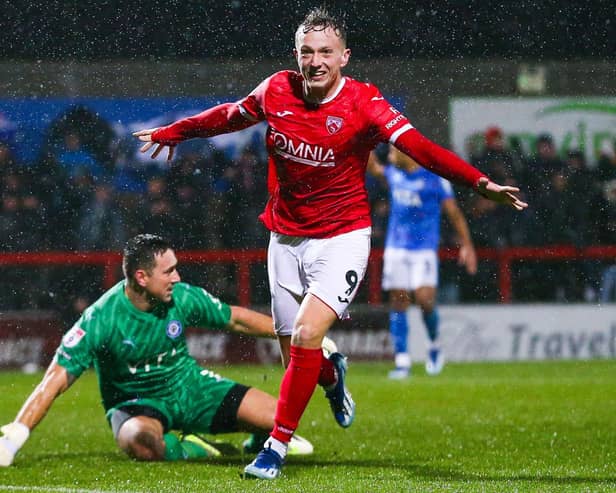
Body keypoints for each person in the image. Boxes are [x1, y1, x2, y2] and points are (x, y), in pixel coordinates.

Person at [133, 8, 527, 479]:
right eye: (306, 52)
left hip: (342, 238)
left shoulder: (365, 103)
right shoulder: (277, 89)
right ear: (296, 55)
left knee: (304, 335)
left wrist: (478, 181)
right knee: (296, 356)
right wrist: (173, 132)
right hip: (284, 238)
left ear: (344, 56)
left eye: (325, 52)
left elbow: (422, 147)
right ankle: (332, 372)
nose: (315, 61)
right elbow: (227, 116)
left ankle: (275, 449)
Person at [0, 234, 314, 467]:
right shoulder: (101, 319)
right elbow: (53, 381)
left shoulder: (181, 296)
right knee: (140, 441)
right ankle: (197, 447)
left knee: (285, 417)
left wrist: (299, 334)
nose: (177, 277)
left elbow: (237, 320)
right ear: (141, 277)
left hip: (190, 388)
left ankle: (259, 439)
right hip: (137, 403)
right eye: (168, 271)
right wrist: (13, 440)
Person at [368, 147, 477, 379]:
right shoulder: (393, 174)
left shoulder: (434, 178)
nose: (389, 155)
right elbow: (373, 166)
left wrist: (467, 245)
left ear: (408, 153)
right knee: (398, 300)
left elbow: (454, 213)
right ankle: (402, 361)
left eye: (393, 151)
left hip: (424, 249)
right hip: (396, 247)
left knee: (425, 299)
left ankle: (435, 344)